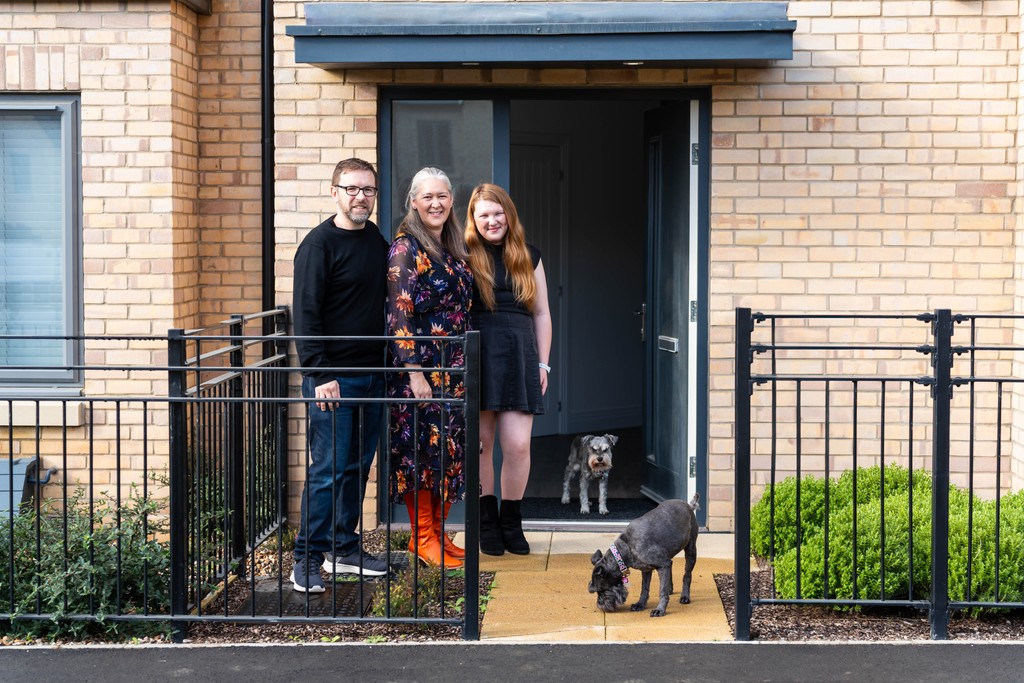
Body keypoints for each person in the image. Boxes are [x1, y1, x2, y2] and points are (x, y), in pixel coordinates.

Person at [291, 158, 390, 593]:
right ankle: (306, 559)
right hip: (333, 378)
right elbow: (306, 315)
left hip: (372, 376)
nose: (360, 197)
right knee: (328, 470)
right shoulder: (318, 245)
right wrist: (320, 373)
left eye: (367, 190)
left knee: (356, 468)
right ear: (335, 192)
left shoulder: (375, 240)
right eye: (351, 189)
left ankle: (344, 550)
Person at [387, 167, 474, 569]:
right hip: (421, 374)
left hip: (453, 372)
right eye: (428, 197)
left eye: (442, 196)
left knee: (445, 455)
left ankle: (437, 535)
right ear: (414, 202)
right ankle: (422, 538)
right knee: (420, 455)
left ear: (451, 201)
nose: (436, 203)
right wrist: (414, 373)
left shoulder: (452, 245)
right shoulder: (406, 248)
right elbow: (399, 315)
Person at [464, 183, 552, 556]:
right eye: (483, 214)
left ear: (508, 214)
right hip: (478, 355)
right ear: (473, 220)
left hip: (519, 356)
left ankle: (511, 521)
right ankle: (486, 522)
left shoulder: (529, 256)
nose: (492, 220)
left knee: (516, 446)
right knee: (481, 446)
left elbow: (542, 313)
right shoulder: (463, 254)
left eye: (497, 212)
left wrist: (544, 362)